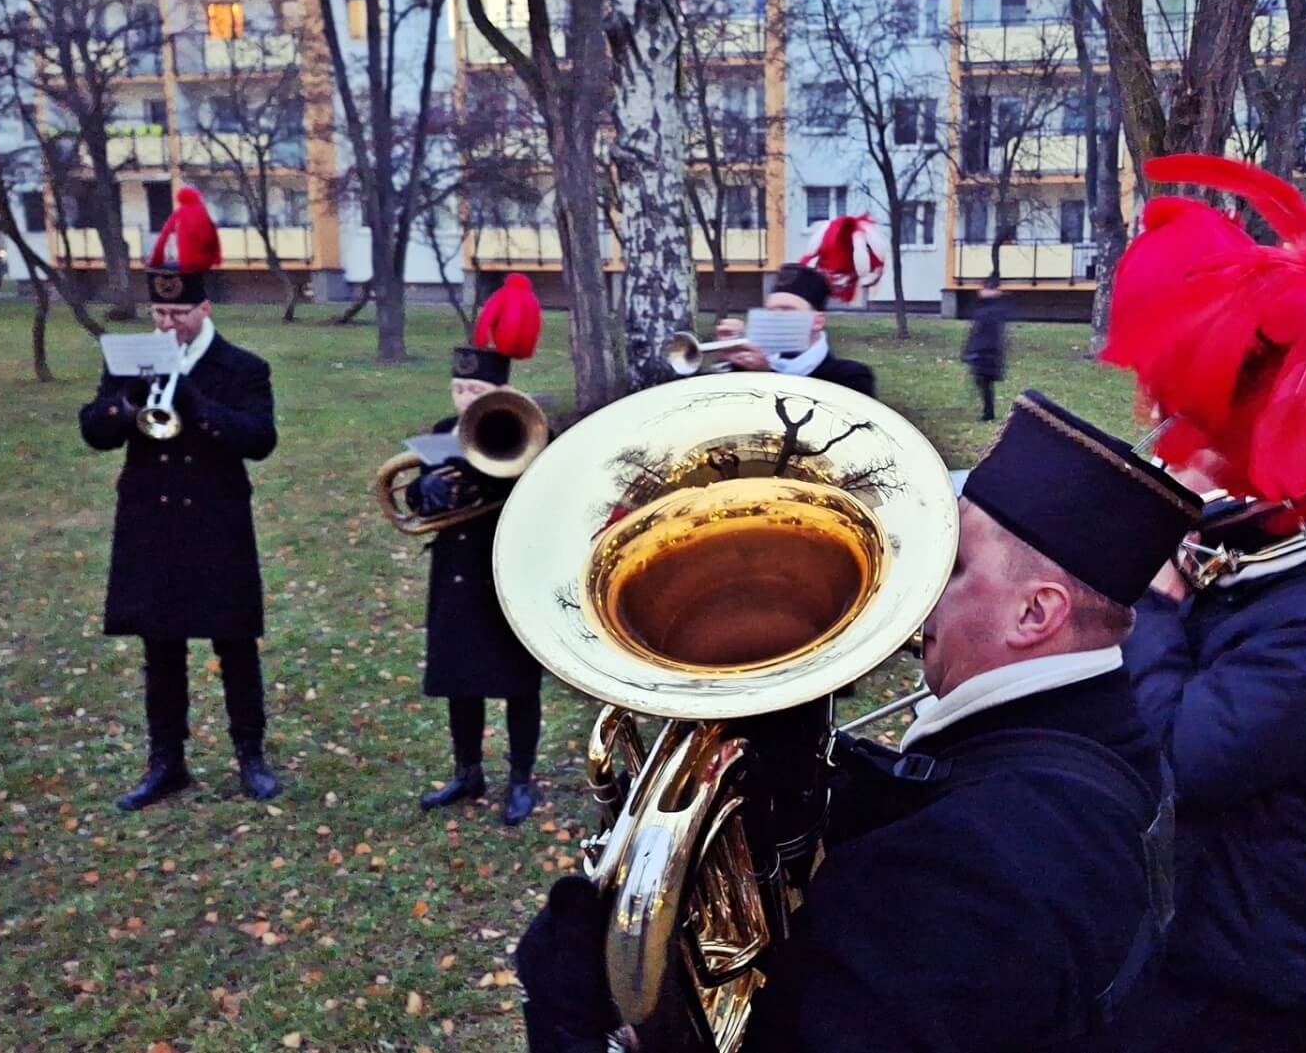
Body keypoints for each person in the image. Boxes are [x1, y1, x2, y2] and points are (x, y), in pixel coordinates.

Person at [514, 390, 1206, 1053]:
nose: (921, 584)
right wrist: (828, 770)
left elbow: (967, 867)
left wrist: (579, 1027)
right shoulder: (1110, 736)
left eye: (955, 564)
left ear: (1036, 613)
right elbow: (983, 793)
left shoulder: (947, 879)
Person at [1103, 154, 1306, 1052]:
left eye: (1204, 436)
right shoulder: (1245, 537)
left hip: (1234, 982)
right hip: (1161, 937)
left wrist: (1153, 597)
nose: (1174, 453)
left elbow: (1175, 759)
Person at [78, 187, 280, 811]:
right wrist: (124, 405)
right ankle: (166, 762)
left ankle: (251, 756)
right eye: (160, 317)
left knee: (234, 643)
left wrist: (201, 407)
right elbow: (93, 428)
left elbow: (261, 440)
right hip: (152, 521)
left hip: (216, 521)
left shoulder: (243, 367)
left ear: (204, 307)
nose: (167, 327)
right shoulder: (133, 358)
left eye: (178, 317)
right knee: (159, 648)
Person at [407, 275, 547, 826]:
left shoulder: (525, 430)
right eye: (459, 390)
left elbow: (540, 502)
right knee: (458, 677)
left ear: (501, 395)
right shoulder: (445, 431)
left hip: (506, 573)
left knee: (517, 683)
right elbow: (416, 496)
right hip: (456, 572)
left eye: (476, 393)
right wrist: (426, 490)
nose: (465, 400)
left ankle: (521, 779)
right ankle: (468, 772)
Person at [710, 263, 876, 398]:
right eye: (771, 310)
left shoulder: (852, 376)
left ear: (817, 321)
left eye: (787, 309)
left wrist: (765, 376)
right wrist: (730, 362)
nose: (775, 318)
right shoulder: (747, 369)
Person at [961, 276, 1010, 421]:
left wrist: (975, 350)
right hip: (984, 352)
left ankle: (988, 413)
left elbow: (984, 333)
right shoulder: (987, 306)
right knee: (983, 383)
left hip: (986, 353)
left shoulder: (991, 309)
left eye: (983, 288)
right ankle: (988, 411)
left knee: (984, 383)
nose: (979, 291)